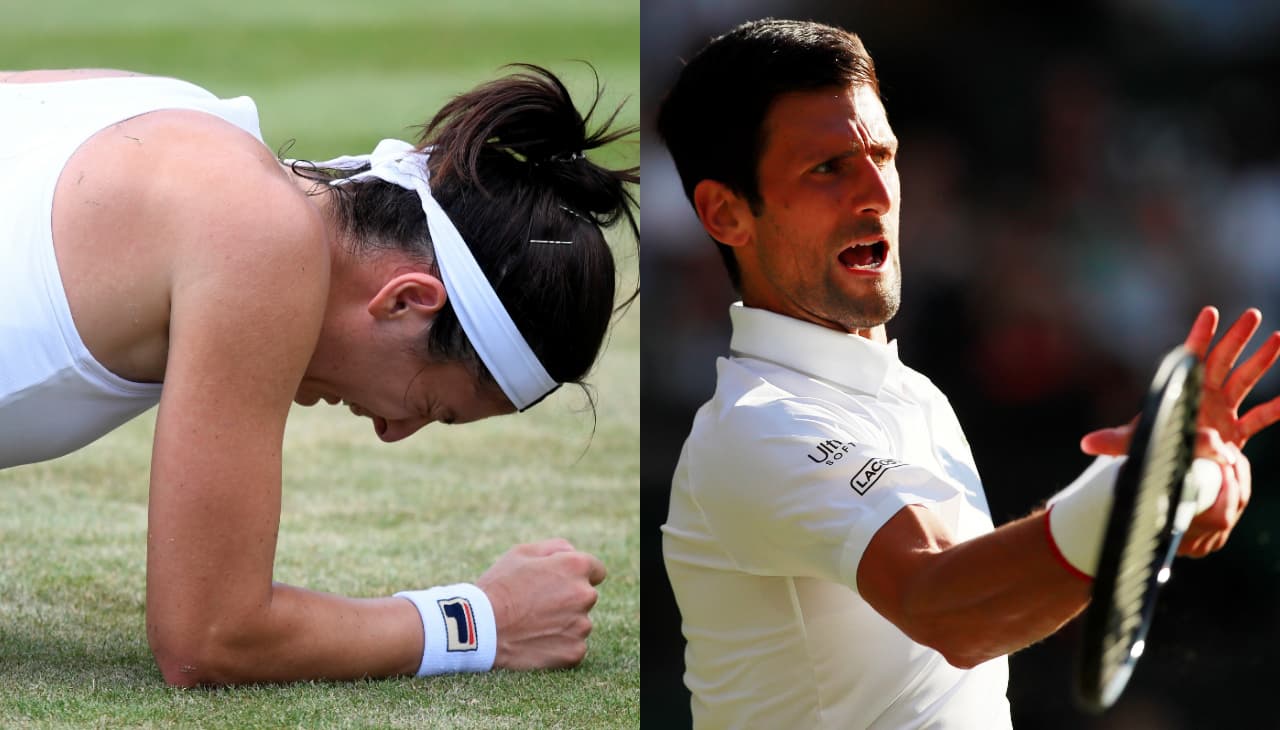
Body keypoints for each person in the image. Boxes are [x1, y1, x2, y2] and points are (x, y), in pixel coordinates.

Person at [656, 19, 1280, 728]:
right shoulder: (753, 426)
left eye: (882, 155)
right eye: (826, 168)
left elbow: (990, 605)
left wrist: (1169, 489)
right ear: (726, 212)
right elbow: (946, 607)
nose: (877, 192)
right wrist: (1139, 486)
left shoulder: (915, 396)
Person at [0, 64, 636, 686]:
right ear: (406, 300)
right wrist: (485, 620)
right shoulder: (258, 236)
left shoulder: (185, 113)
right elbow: (211, 637)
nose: (393, 431)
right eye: (434, 408)